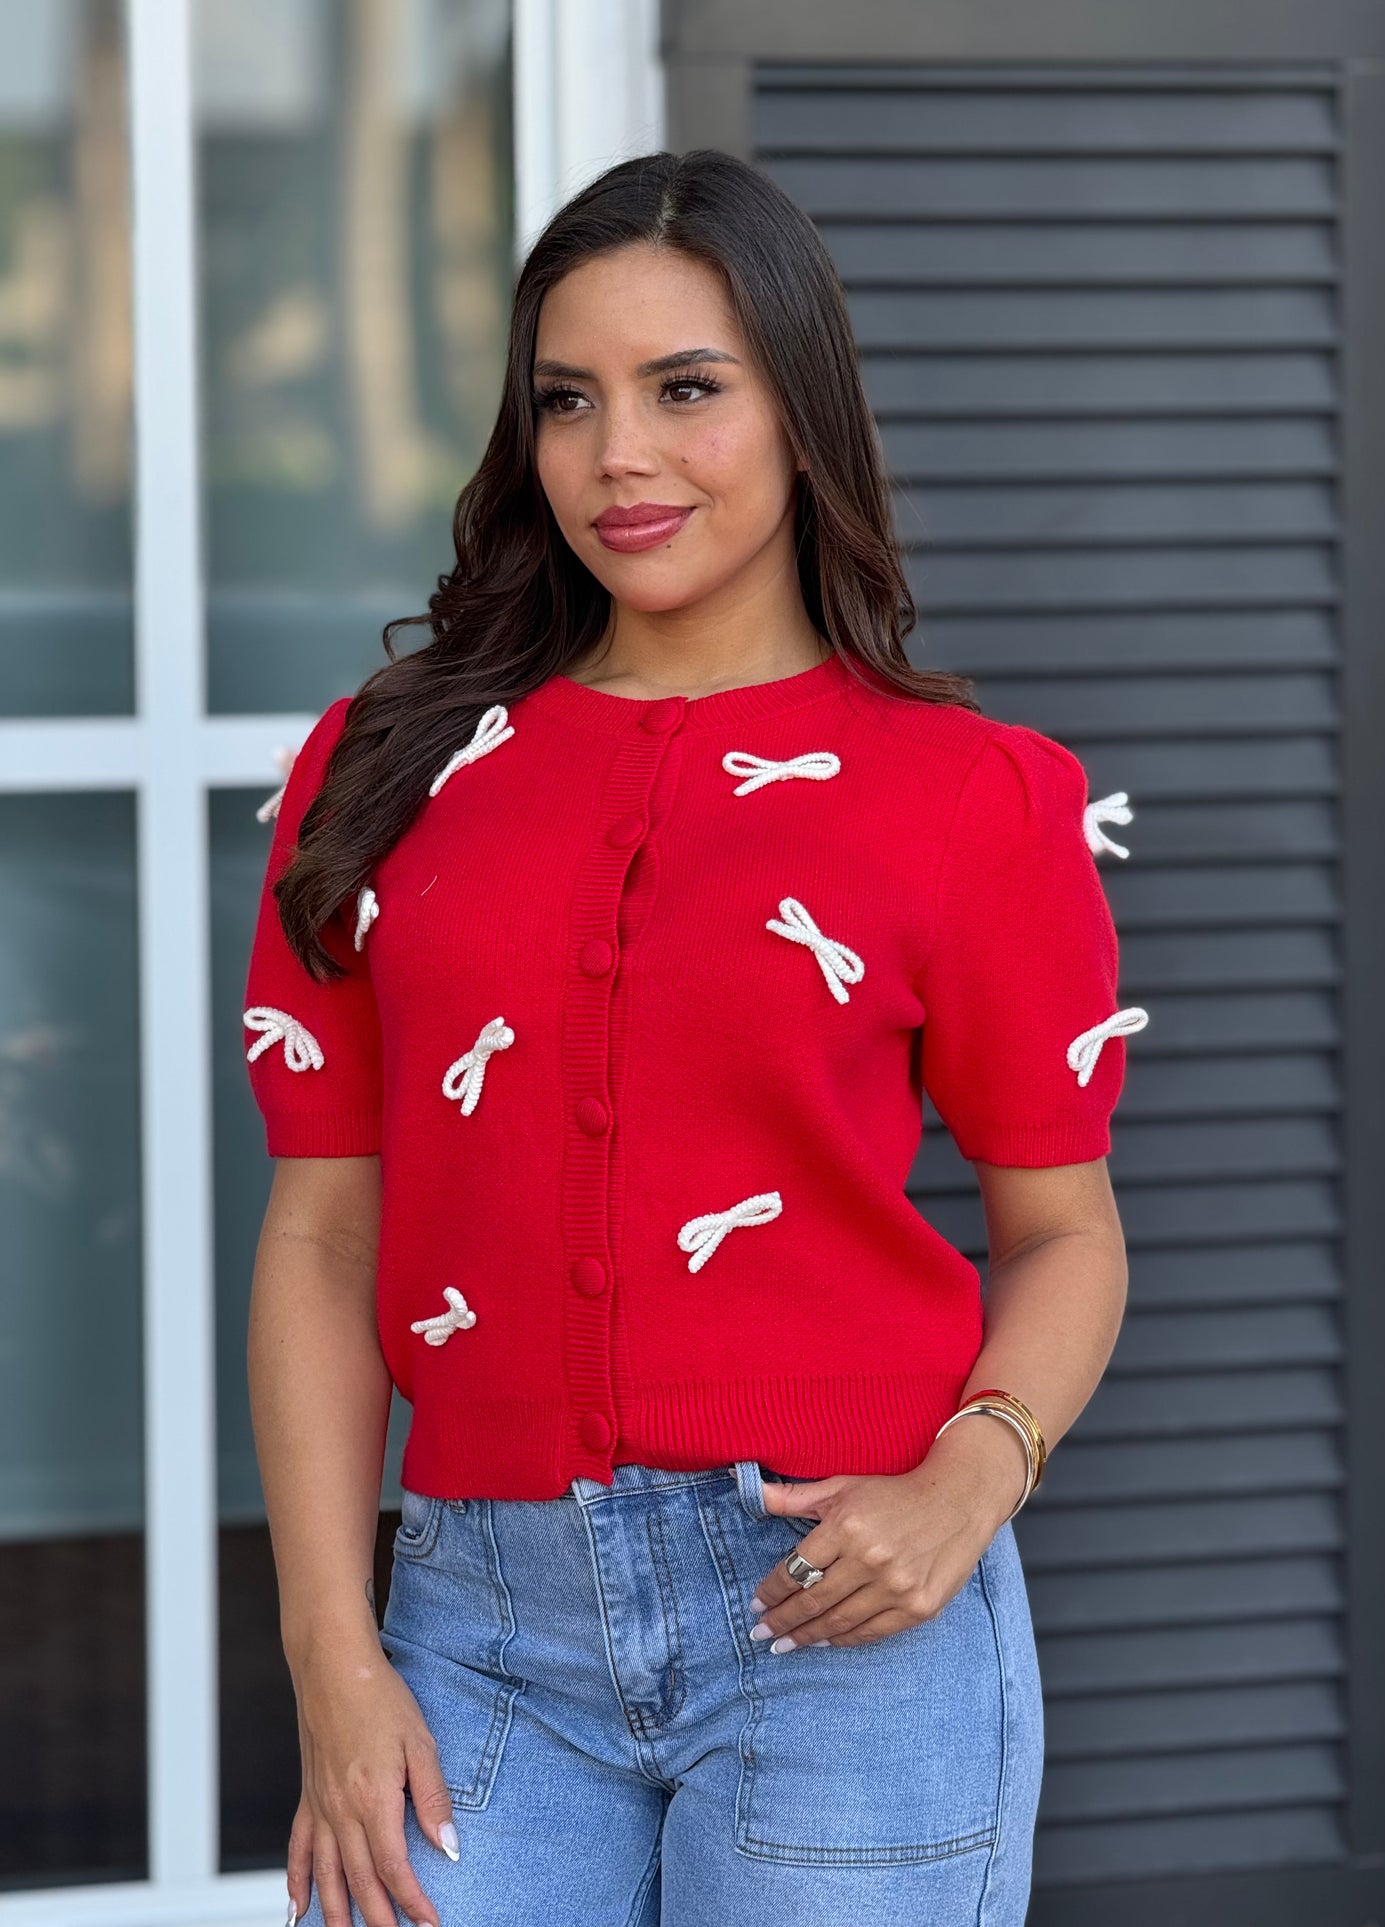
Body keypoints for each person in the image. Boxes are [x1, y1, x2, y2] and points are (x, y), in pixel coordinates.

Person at [242, 148, 1144, 1927]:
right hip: (473, 1632)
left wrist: (972, 1477)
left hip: (841, 1620)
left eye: (685, 392)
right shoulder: (386, 770)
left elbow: (1065, 1230)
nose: (617, 458)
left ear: (801, 413)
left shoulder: (969, 798)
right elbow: (322, 1236)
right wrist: (330, 1660)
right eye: (566, 401)